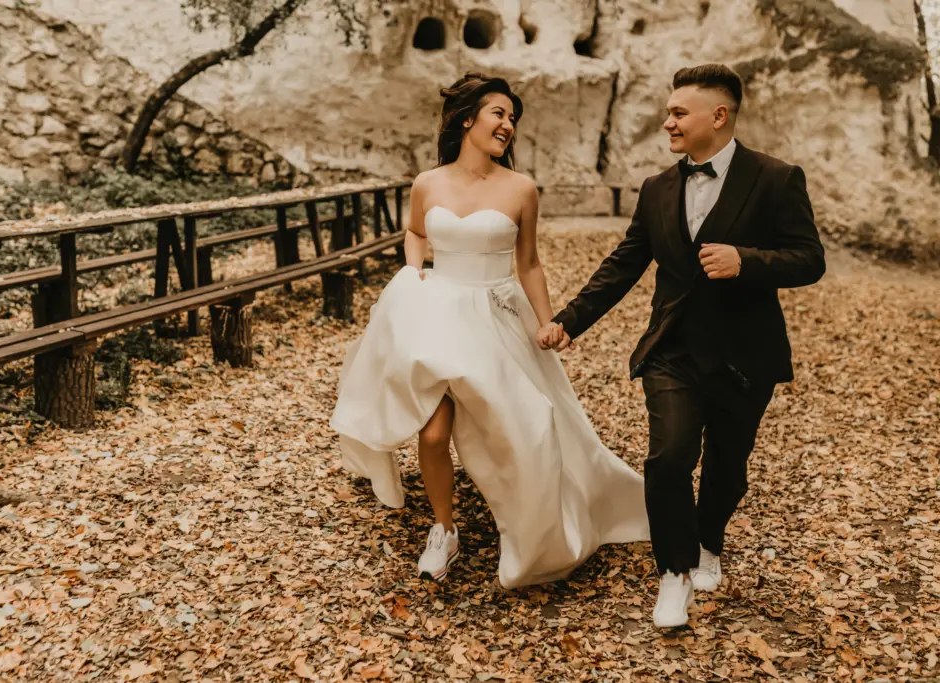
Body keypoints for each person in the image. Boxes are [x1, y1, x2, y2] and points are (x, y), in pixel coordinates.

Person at [330, 72, 649, 589]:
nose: (508, 125)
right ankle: (443, 528)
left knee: (523, 429)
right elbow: (414, 233)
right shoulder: (427, 183)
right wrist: (413, 273)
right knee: (433, 433)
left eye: (512, 118)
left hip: (498, 318)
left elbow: (530, 264)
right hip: (436, 314)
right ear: (467, 119)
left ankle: (536, 524)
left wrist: (548, 323)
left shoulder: (521, 188)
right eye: (499, 113)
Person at [539, 64, 826, 627]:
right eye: (668, 112)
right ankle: (673, 574)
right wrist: (569, 320)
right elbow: (621, 266)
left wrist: (748, 261)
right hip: (671, 351)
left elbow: (810, 258)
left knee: (727, 466)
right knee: (668, 457)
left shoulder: (776, 178)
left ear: (718, 116)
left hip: (746, 356)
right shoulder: (657, 189)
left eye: (678, 112)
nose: (666, 121)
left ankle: (708, 541)